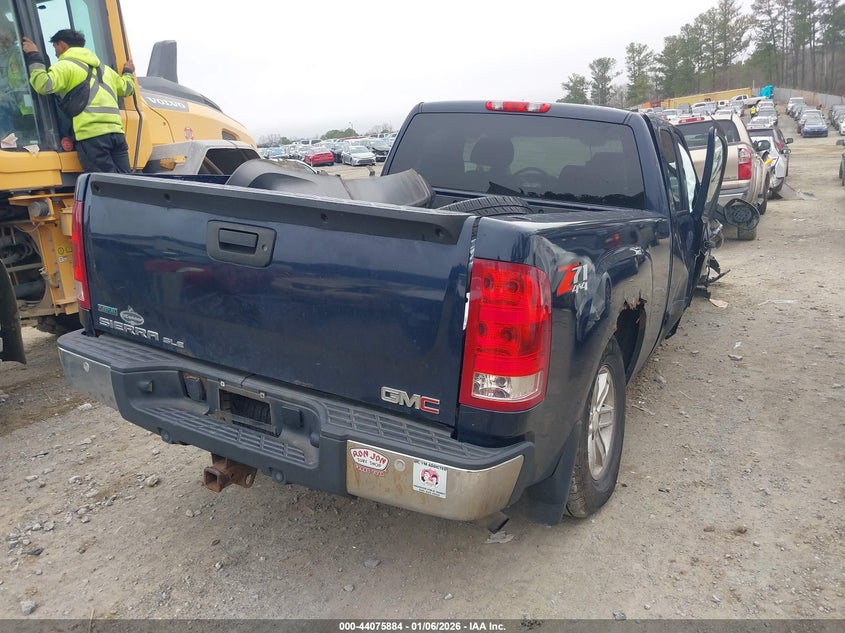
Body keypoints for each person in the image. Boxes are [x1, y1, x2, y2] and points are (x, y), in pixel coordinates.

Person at [21, 29, 135, 172]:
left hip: (92, 136)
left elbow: (43, 85)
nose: (55, 53)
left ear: (62, 45)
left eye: (55, 48)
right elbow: (127, 88)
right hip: (117, 135)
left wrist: (34, 56)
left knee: (106, 186)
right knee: (124, 183)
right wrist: (128, 72)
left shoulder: (65, 66)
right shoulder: (106, 70)